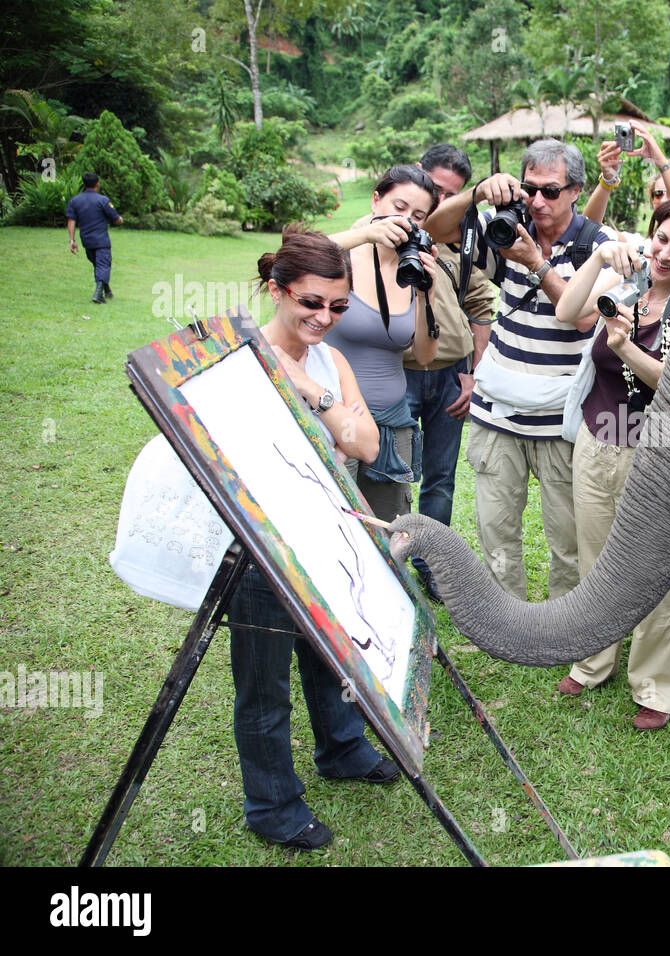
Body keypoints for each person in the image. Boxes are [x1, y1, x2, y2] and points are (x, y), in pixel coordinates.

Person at [228, 227, 392, 851]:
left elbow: (368, 446)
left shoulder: (329, 361)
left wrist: (306, 387)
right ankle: (271, 804)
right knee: (264, 679)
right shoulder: (237, 359)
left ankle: (342, 747)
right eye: (311, 302)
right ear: (277, 290)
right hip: (260, 542)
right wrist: (335, 412)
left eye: (338, 306)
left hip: (326, 530)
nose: (325, 317)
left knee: (330, 654)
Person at [548, 195, 670, 729]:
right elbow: (566, 312)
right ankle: (592, 659)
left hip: (660, 451)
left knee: (651, 568)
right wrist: (601, 256)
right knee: (596, 559)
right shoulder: (623, 282)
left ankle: (659, 683)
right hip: (597, 441)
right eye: (661, 239)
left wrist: (623, 346)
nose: (665, 254)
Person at [423, 139, 617, 602]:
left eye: (551, 191)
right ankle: (504, 620)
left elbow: (583, 317)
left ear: (576, 190)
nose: (538, 201)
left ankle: (563, 625)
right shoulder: (505, 229)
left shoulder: (597, 245)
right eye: (530, 189)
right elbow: (435, 227)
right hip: (498, 413)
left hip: (562, 419)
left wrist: (535, 262)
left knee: (568, 541)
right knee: (496, 535)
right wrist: (477, 195)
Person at [401, 145, 497, 600]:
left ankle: (432, 563)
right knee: (393, 474)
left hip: (451, 377)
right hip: (398, 372)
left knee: (440, 477)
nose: (441, 201)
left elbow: (480, 303)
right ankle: (388, 561)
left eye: (451, 194)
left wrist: (473, 371)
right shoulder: (385, 230)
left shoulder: (458, 241)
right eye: (436, 190)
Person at [326, 165, 441, 522]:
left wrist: (427, 294)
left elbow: (424, 355)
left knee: (389, 531)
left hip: (392, 426)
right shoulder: (340, 259)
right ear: (376, 200)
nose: (406, 220)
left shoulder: (411, 269)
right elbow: (291, 256)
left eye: (418, 216)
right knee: (332, 521)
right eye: (398, 207)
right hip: (335, 419)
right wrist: (364, 234)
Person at [583, 120, 670, 230]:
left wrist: (661, 161)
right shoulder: (640, 240)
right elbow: (587, 230)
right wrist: (607, 180)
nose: (663, 200)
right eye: (658, 194)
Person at [65, 172, 123, 304]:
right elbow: (116, 218)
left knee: (98, 265)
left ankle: (107, 290)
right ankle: (98, 295)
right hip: (101, 240)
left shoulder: (75, 201)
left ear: (84, 184)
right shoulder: (103, 200)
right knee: (103, 265)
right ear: (97, 184)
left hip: (86, 240)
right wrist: (120, 220)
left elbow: (71, 220)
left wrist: (72, 240)